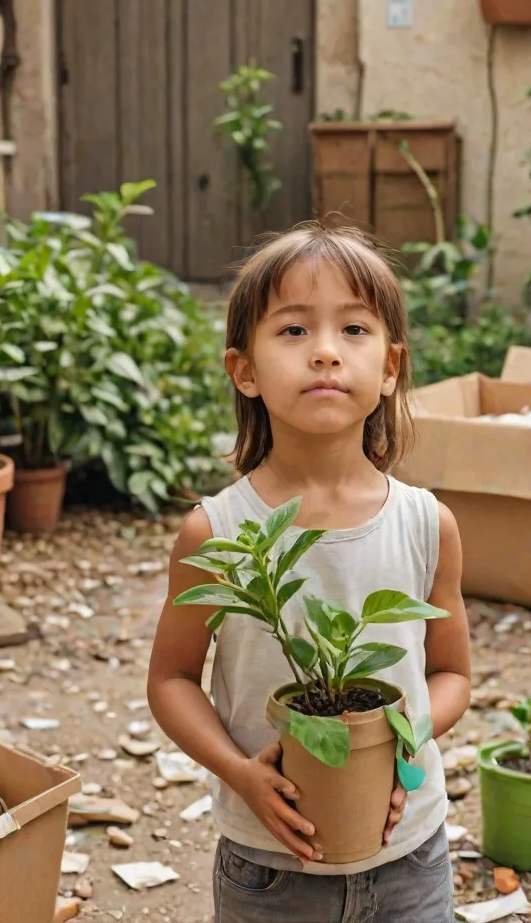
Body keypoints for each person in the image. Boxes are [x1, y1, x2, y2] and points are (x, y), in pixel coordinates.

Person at [147, 220, 472, 922]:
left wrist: (404, 743)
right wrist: (240, 773)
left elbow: (452, 676)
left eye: (354, 330)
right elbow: (171, 679)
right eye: (294, 331)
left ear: (390, 367)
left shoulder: (426, 524)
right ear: (245, 370)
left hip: (410, 856)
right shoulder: (219, 533)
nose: (325, 352)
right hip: (269, 867)